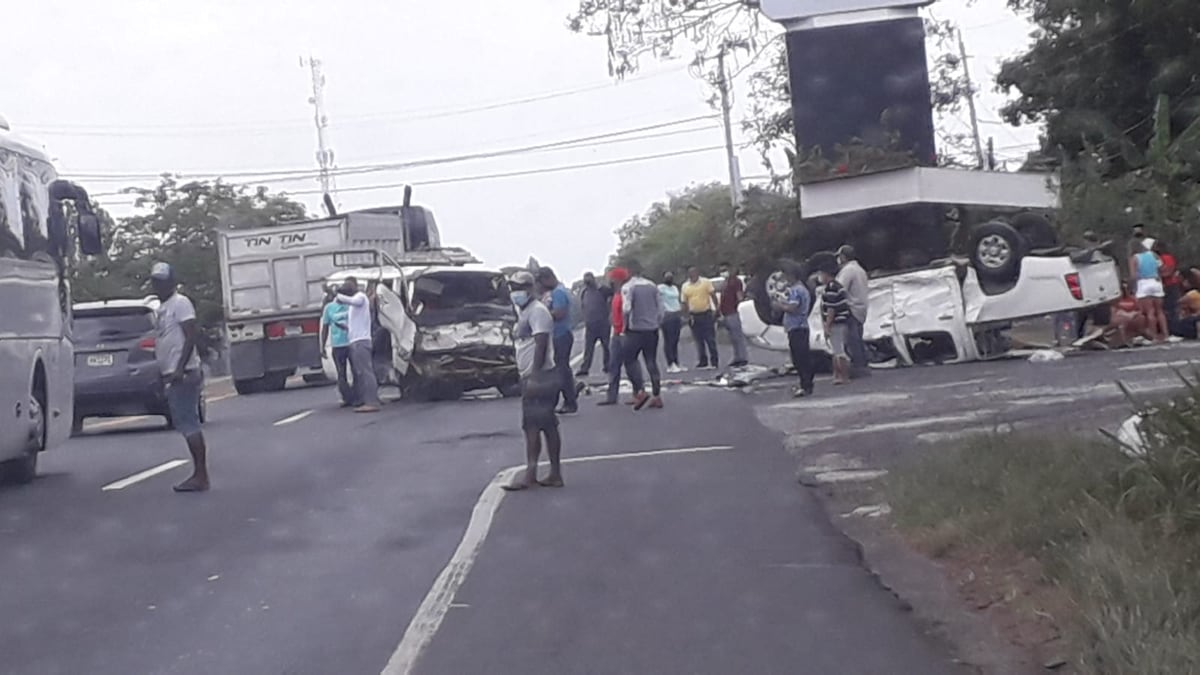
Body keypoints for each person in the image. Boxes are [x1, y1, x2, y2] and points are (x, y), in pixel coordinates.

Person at [149, 262, 210, 492]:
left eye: (162, 281)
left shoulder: (180, 303)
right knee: (184, 423)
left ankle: (201, 475)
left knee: (189, 423)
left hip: (183, 373)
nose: (158, 285)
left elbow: (190, 336)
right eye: (156, 281)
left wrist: (179, 368)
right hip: (172, 373)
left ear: (172, 282)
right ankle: (199, 474)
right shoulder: (162, 308)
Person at [504, 271, 564, 491]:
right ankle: (549, 473)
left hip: (541, 376)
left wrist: (535, 375)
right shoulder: (524, 312)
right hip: (531, 375)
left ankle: (534, 474)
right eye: (513, 288)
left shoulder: (538, 311)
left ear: (531, 288)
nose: (516, 292)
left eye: (520, 287)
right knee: (542, 425)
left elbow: (541, 344)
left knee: (535, 426)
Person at [598, 268, 645, 406]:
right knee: (614, 365)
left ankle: (639, 392)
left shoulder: (626, 292)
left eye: (612, 278)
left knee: (631, 364)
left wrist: (626, 329)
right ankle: (612, 396)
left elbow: (628, 312)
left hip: (625, 333)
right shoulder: (616, 294)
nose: (610, 281)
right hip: (617, 333)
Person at [536, 267, 579, 415]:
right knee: (561, 369)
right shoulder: (553, 293)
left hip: (561, 334)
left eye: (541, 282)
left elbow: (560, 313)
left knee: (561, 370)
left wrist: (542, 314)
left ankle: (569, 401)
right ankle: (570, 397)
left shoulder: (558, 293)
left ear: (548, 279)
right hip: (558, 334)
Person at [622, 262, 665, 410]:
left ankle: (640, 391)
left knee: (630, 359)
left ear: (630, 273)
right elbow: (661, 308)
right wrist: (656, 322)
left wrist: (625, 326)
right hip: (652, 329)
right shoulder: (653, 286)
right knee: (651, 361)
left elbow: (626, 308)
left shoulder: (630, 287)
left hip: (636, 329)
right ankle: (657, 396)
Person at [336, 276, 381, 412]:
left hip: (361, 342)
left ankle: (371, 402)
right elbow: (356, 323)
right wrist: (345, 326)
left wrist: (337, 294)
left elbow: (350, 300)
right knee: (360, 373)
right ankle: (366, 399)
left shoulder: (360, 297)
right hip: (355, 341)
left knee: (366, 372)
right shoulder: (353, 306)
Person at [774, 266, 814, 398]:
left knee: (800, 358)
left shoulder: (796, 290)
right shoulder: (802, 289)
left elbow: (793, 307)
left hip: (797, 327)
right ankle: (806, 384)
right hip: (799, 327)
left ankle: (806, 385)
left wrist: (780, 305)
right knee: (801, 357)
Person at [835, 245, 870, 378]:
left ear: (843, 257)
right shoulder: (859, 269)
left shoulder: (848, 270)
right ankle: (863, 366)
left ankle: (858, 368)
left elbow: (839, 288)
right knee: (858, 339)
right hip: (861, 307)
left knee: (852, 340)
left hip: (851, 308)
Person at [320, 288, 357, 408]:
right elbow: (325, 328)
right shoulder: (329, 308)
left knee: (357, 371)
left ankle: (357, 395)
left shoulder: (352, 305)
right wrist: (322, 345)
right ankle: (347, 397)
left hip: (352, 343)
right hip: (338, 345)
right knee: (341, 373)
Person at [681, 266, 720, 370]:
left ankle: (714, 361)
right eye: (690, 273)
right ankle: (703, 361)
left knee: (710, 339)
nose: (692, 274)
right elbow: (684, 302)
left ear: (697, 273)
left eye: (694, 272)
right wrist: (686, 316)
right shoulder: (685, 286)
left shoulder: (705, 282)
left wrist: (716, 309)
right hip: (694, 315)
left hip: (706, 314)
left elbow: (713, 295)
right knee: (698, 340)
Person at [1129, 238, 1168, 342]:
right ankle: (1166, 334)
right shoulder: (1154, 255)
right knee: (1160, 311)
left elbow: (1133, 275)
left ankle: (1154, 336)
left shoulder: (1135, 258)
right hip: (1156, 282)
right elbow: (1163, 267)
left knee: (1150, 312)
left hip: (1144, 283)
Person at [817, 268, 852, 385]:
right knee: (836, 349)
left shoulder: (832, 288)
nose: (819, 277)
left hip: (837, 322)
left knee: (838, 351)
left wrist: (827, 325)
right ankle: (837, 374)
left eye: (821, 273)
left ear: (826, 274)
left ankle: (843, 375)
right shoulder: (835, 286)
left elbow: (831, 309)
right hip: (840, 322)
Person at [576, 272, 611, 377]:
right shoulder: (584, 292)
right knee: (588, 348)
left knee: (607, 346)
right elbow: (583, 305)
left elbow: (613, 295)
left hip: (603, 323)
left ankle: (608, 366)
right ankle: (585, 368)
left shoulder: (602, 290)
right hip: (590, 324)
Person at [717, 262, 750, 368]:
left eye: (724, 270)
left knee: (738, 336)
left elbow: (739, 296)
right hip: (726, 312)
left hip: (733, 312)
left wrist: (739, 307)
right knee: (733, 337)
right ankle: (737, 357)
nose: (723, 272)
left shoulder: (735, 282)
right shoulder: (726, 282)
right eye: (721, 270)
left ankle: (743, 357)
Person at [658, 272, 685, 373]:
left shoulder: (674, 288)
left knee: (675, 340)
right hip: (667, 315)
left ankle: (676, 362)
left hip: (676, 314)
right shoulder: (660, 288)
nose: (669, 278)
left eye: (671, 277)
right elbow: (657, 299)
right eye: (667, 277)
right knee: (669, 341)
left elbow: (678, 301)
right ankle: (670, 364)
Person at [1154, 239, 1182, 321]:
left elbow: (1169, 271)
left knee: (1172, 307)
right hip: (1163, 286)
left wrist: (1159, 274)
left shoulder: (1167, 258)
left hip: (1170, 285)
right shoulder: (1157, 259)